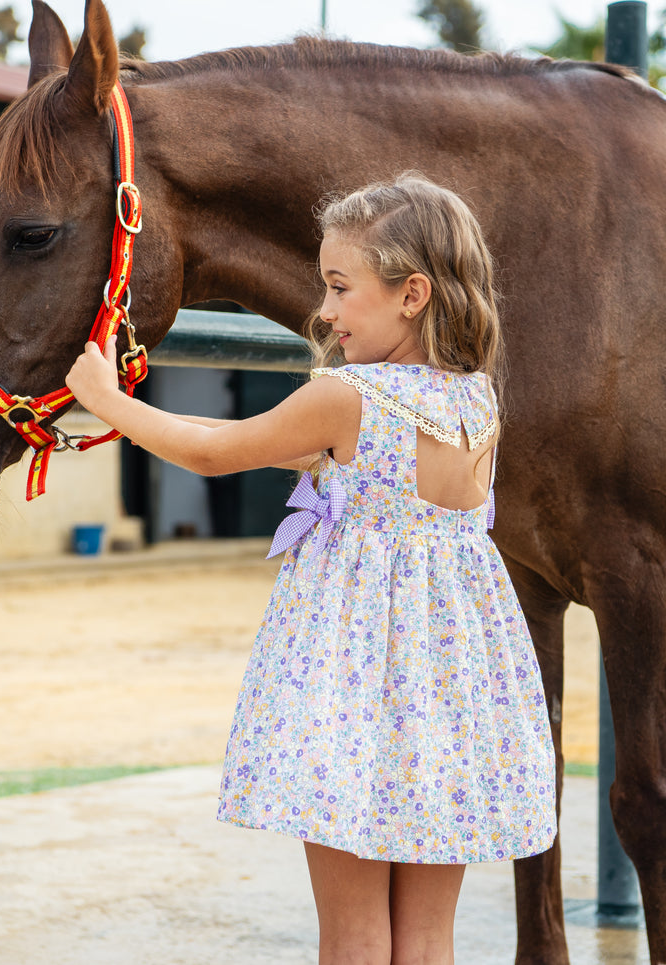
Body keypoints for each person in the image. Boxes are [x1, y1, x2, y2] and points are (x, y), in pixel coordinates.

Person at [66, 173, 556, 965]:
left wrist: (105, 398)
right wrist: (150, 419)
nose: (324, 310)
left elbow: (214, 451)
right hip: (445, 695)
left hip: (356, 694)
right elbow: (273, 445)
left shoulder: (347, 396)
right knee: (427, 938)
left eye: (338, 286)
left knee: (353, 937)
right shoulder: (475, 400)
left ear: (411, 294)